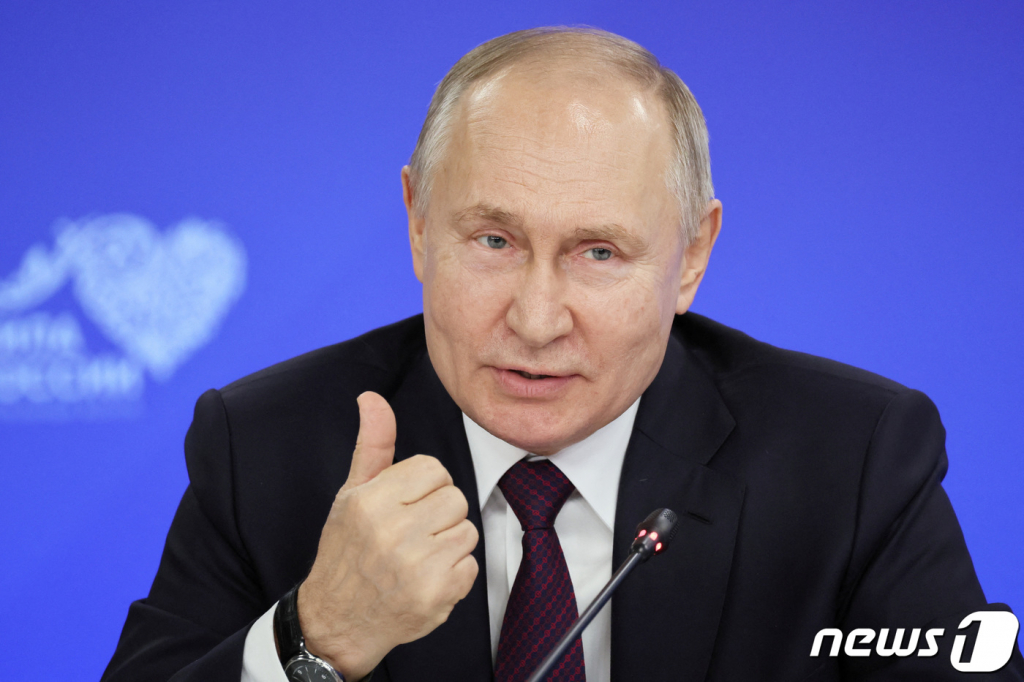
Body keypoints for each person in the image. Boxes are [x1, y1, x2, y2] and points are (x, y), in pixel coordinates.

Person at [103, 27, 1023, 682]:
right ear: (418, 224)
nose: (538, 320)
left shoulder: (853, 457)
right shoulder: (265, 446)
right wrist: (318, 638)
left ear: (692, 257)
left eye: (599, 253)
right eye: (493, 241)